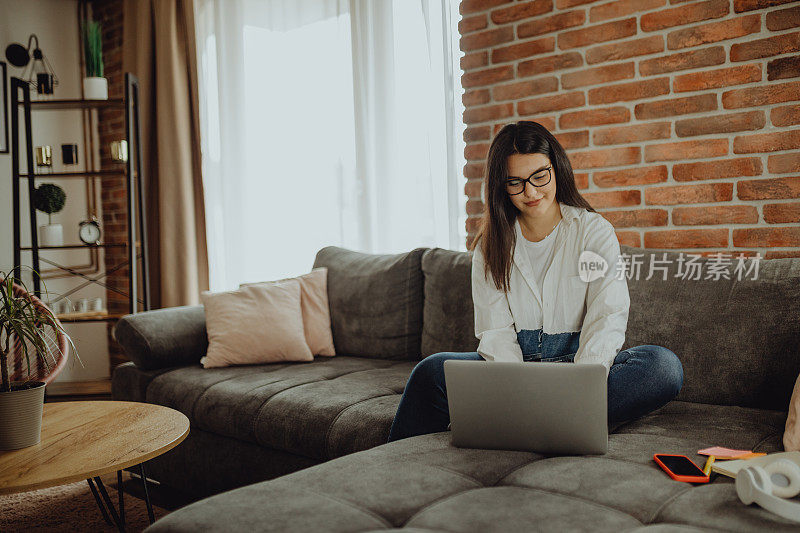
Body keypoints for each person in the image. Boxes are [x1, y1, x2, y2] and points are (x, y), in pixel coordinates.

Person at [387, 120, 683, 443]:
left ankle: (548, 419)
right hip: (513, 371)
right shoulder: (490, 247)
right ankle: (558, 422)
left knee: (663, 367)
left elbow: (607, 317)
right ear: (502, 186)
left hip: (580, 366)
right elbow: (496, 333)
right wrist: (521, 393)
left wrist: (580, 386)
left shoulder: (592, 232)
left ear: (557, 169)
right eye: (515, 182)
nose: (530, 191)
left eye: (539, 176)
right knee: (430, 372)